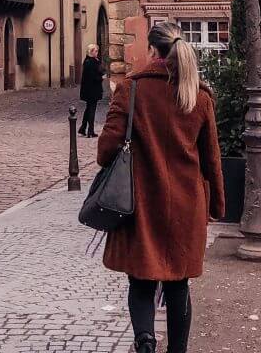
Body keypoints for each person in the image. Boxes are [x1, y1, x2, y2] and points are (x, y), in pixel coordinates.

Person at [96, 21, 225, 353]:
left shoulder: (131, 89)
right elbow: (212, 158)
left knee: (141, 281)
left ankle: (145, 342)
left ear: (152, 50)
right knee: (179, 284)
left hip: (142, 202)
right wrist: (218, 206)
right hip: (187, 203)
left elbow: (106, 150)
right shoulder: (198, 95)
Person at [78, 43, 106, 138]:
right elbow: (93, 77)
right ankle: (90, 130)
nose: (97, 52)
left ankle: (83, 128)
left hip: (88, 90)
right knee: (91, 110)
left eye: (97, 51)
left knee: (88, 108)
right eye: (96, 51)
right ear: (91, 52)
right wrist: (102, 77)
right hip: (92, 90)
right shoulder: (91, 62)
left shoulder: (88, 61)